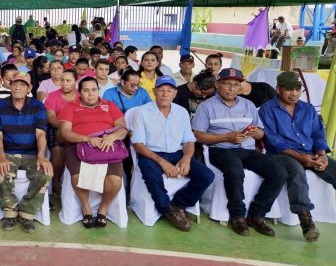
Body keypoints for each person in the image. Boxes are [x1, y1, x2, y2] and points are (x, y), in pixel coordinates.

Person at [192, 68, 287, 237]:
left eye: (236, 85)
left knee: (279, 172)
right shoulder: (206, 107)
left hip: (248, 150)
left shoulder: (248, 105)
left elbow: (260, 132)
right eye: (227, 84)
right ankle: (238, 215)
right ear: (217, 85)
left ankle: (257, 214)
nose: (231, 88)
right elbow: (198, 135)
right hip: (221, 149)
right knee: (235, 171)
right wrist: (226, 137)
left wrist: (256, 133)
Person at [259, 71, 336, 242]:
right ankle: (306, 222)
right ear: (278, 89)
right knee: (296, 172)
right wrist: (302, 158)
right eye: (289, 89)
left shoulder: (307, 109)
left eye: (297, 89)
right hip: (280, 155)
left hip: (310, 153)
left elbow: (318, 134)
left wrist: (321, 155)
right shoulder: (267, 110)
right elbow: (274, 142)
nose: (294, 93)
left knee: (333, 167)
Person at [130, 76, 215, 231]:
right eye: (161, 90)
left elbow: (189, 141)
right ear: (154, 91)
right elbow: (138, 144)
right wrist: (162, 162)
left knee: (207, 175)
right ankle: (166, 209)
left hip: (176, 153)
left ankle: (178, 204)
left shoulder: (181, 112)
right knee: (152, 175)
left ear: (175, 93)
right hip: (151, 153)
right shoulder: (142, 112)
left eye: (169, 91)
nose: (165, 94)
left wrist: (187, 158)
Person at [59, 77, 128, 228]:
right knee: (77, 177)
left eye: (94, 90)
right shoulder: (71, 107)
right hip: (79, 145)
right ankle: (86, 209)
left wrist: (112, 137)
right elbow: (65, 132)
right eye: (86, 90)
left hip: (107, 146)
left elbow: (123, 129)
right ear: (80, 92)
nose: (90, 94)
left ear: (98, 90)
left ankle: (103, 210)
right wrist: (87, 139)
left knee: (116, 181)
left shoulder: (109, 105)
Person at [0, 72, 51, 233]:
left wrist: (41, 156)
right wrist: (1, 156)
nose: (18, 87)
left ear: (29, 88)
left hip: (31, 153)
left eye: (23, 84)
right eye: (15, 84)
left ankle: (27, 213)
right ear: (10, 85)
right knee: (0, 170)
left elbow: (41, 134)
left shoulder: (38, 106)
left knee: (44, 173)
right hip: (9, 152)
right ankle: (10, 212)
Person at [44, 69, 79, 196]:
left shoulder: (81, 96)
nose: (64, 83)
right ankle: (56, 181)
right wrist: (65, 127)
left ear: (76, 82)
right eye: (62, 80)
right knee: (57, 152)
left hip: (78, 129)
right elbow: (51, 118)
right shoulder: (53, 96)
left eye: (68, 80)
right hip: (56, 128)